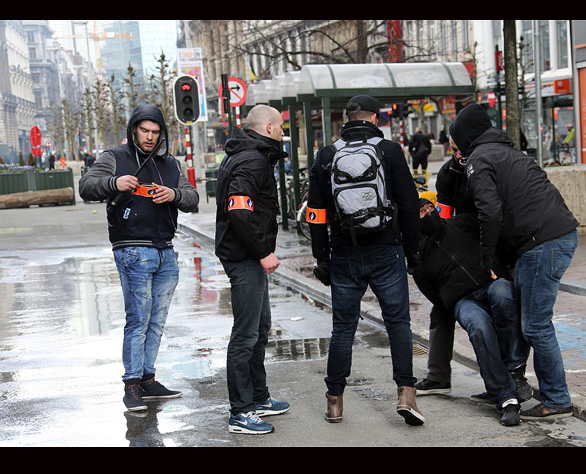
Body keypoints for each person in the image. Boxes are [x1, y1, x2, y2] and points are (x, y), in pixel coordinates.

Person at [449, 103, 580, 421]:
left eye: (454, 143)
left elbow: (489, 212)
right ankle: (513, 381)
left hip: (541, 244)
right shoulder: (509, 152)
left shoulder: (478, 160)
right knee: (527, 317)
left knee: (535, 325)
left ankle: (556, 399)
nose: (454, 151)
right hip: (555, 236)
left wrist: (488, 255)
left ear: (465, 137)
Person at [306, 94, 424, 426]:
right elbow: (410, 203)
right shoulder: (389, 151)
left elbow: (316, 214)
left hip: (344, 251)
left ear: (348, 119)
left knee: (343, 328)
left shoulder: (327, 155)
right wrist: (412, 251)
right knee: (398, 323)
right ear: (375, 118)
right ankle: (405, 394)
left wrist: (322, 258)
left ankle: (334, 402)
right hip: (386, 249)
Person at [79, 103, 199, 412]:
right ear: (134, 130)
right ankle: (131, 385)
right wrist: (113, 183)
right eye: (144, 130)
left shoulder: (170, 164)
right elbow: (87, 187)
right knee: (138, 320)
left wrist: (174, 194)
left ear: (162, 133)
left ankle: (147, 380)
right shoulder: (114, 158)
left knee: (156, 321)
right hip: (132, 248)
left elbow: (192, 197)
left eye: (155, 132)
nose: (149, 136)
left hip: (165, 251)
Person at [412, 200, 532, 426]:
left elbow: (494, 236)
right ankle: (506, 398)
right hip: (463, 300)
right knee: (478, 326)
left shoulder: (461, 223)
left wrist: (499, 267)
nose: (428, 212)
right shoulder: (421, 258)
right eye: (421, 212)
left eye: (430, 207)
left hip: (491, 283)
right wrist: (452, 301)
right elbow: (434, 296)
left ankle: (513, 370)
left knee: (504, 293)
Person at [215, 104, 291, 435]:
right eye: (281, 127)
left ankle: (258, 398)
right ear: (269, 126)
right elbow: (239, 211)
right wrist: (263, 252)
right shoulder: (252, 160)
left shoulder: (248, 154)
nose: (283, 133)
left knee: (260, 328)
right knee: (246, 334)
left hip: (246, 253)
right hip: (244, 256)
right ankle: (240, 411)